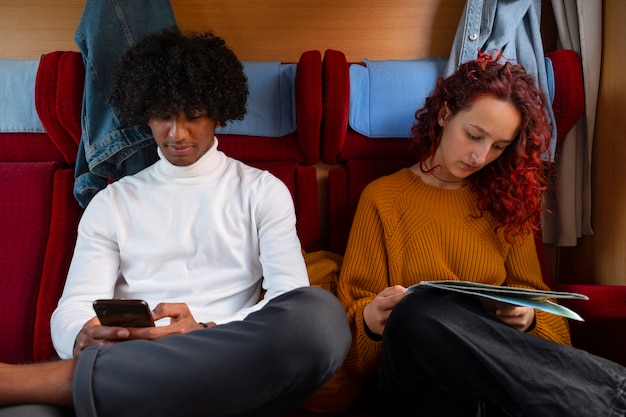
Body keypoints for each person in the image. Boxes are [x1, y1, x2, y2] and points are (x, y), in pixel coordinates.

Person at [0, 29, 350, 417]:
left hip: (227, 363)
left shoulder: (262, 191)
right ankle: (111, 380)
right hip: (135, 359)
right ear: (144, 113)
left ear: (218, 112)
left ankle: (37, 382)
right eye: (163, 117)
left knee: (321, 317)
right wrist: (81, 337)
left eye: (194, 117)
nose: (177, 134)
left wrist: (203, 331)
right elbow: (72, 308)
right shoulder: (111, 203)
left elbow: (288, 300)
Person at [336, 53, 626, 416]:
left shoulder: (507, 201)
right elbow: (353, 355)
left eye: (499, 146)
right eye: (474, 135)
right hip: (414, 383)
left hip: (495, 388)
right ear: (444, 115)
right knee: (419, 310)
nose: (480, 155)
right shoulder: (382, 199)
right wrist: (371, 320)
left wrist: (530, 316)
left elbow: (553, 329)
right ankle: (615, 397)